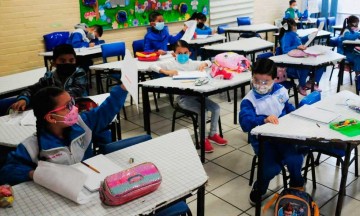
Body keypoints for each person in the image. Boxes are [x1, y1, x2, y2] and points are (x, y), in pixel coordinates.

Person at [0, 83, 152, 185]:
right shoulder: (32, 146)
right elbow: (8, 171)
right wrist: (34, 174)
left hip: (91, 182)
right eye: (68, 106)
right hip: (62, 191)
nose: (74, 109)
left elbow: (106, 111)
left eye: (72, 102)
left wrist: (122, 89)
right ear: (51, 118)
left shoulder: (82, 123)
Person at [239, 59, 304, 205]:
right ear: (252, 77)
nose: (260, 85)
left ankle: (296, 184)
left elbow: (286, 106)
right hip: (263, 141)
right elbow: (245, 123)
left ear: (275, 79)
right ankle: (259, 189)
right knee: (270, 168)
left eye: (265, 81)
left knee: (295, 158)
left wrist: (294, 114)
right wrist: (263, 119)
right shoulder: (249, 101)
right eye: (256, 80)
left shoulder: (280, 90)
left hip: (283, 135)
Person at [150, 40, 228, 153]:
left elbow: (210, 61)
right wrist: (166, 72)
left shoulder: (191, 63)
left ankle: (212, 134)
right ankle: (203, 138)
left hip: (197, 95)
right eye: (179, 53)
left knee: (216, 108)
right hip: (183, 98)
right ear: (174, 54)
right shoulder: (170, 64)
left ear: (189, 53)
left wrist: (204, 64)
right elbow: (152, 65)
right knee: (203, 112)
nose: (182, 55)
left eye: (185, 53)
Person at [11, 44, 88, 111]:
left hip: (79, 107)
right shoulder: (49, 77)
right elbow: (32, 90)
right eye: (62, 61)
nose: (67, 63)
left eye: (71, 61)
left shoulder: (79, 73)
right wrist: (23, 99)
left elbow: (77, 91)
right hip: (56, 110)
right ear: (54, 63)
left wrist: (50, 99)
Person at [279, 18, 324, 96]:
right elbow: (285, 50)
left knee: (320, 64)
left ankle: (311, 82)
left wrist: (309, 36)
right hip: (291, 66)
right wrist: (297, 47)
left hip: (299, 59)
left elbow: (299, 41)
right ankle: (301, 85)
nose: (296, 26)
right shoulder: (287, 36)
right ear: (292, 26)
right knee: (305, 67)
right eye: (294, 25)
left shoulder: (294, 34)